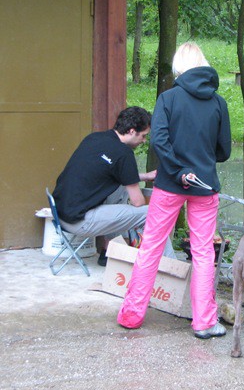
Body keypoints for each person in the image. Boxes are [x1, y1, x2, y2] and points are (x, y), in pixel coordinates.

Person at [117, 42, 232, 339]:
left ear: (178, 67)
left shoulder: (168, 98)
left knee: (152, 246)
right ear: (203, 64)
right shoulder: (219, 103)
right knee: (204, 253)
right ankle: (205, 322)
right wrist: (200, 161)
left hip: (170, 184)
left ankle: (131, 316)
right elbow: (224, 151)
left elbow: (159, 142)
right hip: (204, 187)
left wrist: (178, 171)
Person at [52, 106, 176, 266]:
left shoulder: (95, 138)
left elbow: (102, 173)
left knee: (121, 188)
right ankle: (171, 267)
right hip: (79, 222)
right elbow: (138, 202)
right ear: (132, 131)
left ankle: (109, 251)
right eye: (144, 135)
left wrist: (145, 176)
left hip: (60, 214)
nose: (144, 140)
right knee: (152, 213)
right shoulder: (124, 154)